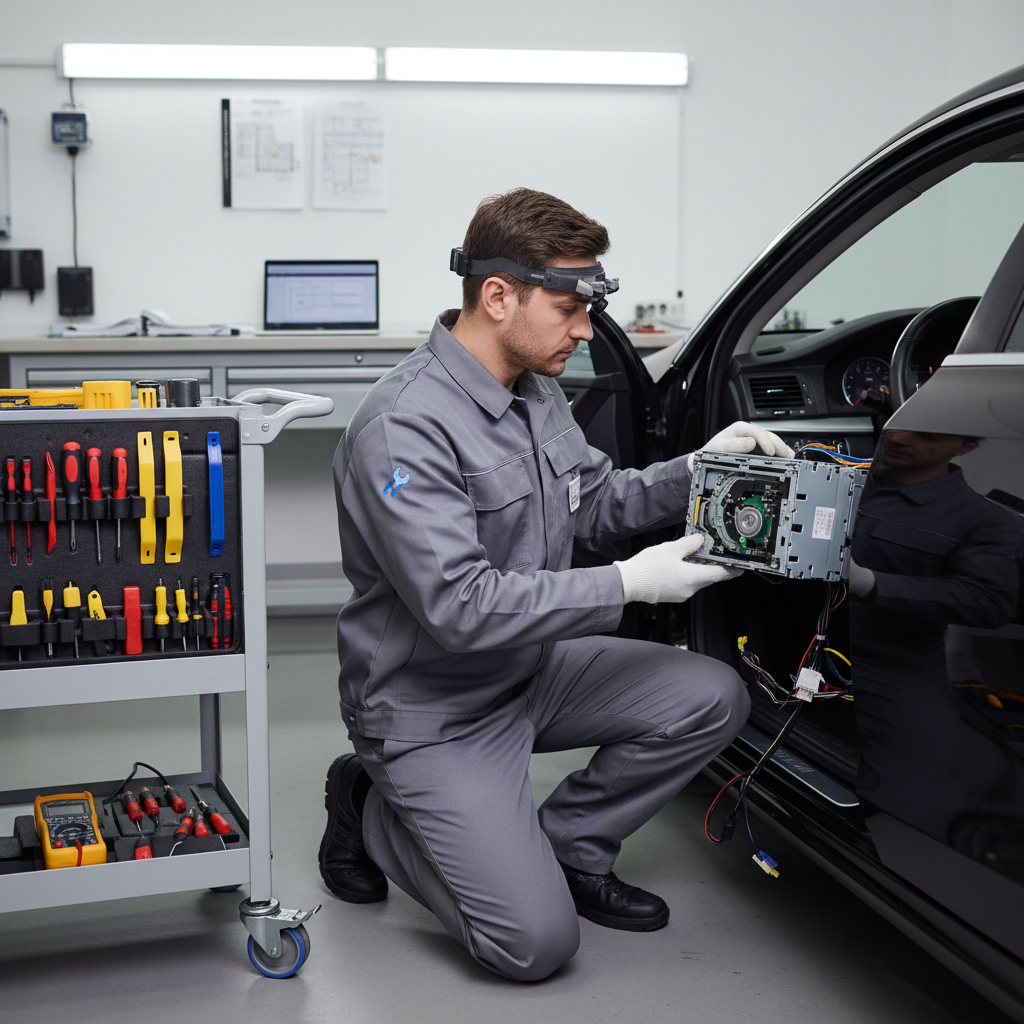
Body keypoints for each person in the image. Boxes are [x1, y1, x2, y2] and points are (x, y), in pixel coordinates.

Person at [319, 188, 793, 981]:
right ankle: (368, 803)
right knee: (534, 947)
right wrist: (628, 585)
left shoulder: (533, 390)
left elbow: (598, 503)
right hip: (430, 706)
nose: (585, 330)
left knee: (712, 696)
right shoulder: (404, 426)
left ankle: (573, 847)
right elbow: (459, 608)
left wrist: (703, 468)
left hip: (529, 668)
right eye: (572, 308)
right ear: (498, 296)